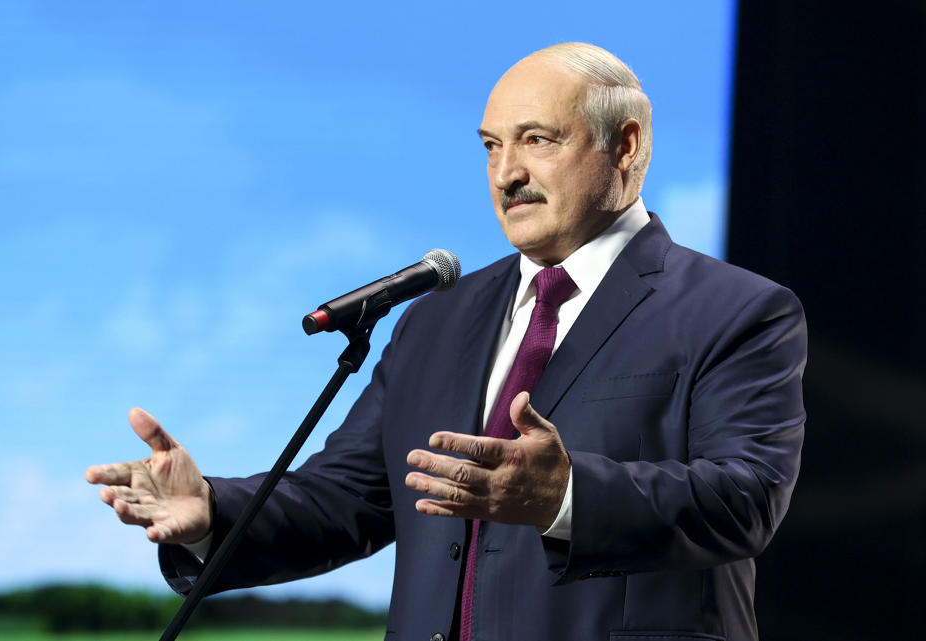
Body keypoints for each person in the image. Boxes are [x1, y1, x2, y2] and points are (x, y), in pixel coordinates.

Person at [86, 42, 806, 641]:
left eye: (537, 140)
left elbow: (745, 498)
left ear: (626, 145)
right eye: (492, 146)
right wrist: (211, 510)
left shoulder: (736, 310)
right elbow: (349, 497)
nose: (506, 173)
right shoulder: (437, 317)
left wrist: (569, 494)